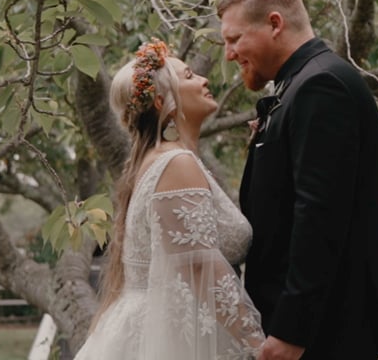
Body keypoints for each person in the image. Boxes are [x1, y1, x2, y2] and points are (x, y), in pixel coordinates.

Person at [221, 0, 378, 360]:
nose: (229, 54)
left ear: (275, 24)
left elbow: (320, 216)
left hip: (327, 334)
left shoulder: (321, 86)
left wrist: (292, 330)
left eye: (234, 39)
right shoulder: (300, 84)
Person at [77, 40, 265, 360]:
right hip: (173, 340)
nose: (204, 80)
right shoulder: (176, 164)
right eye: (190, 76)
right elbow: (199, 266)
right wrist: (258, 344)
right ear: (165, 101)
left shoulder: (164, 161)